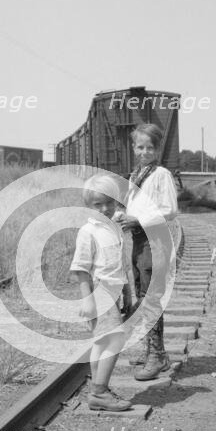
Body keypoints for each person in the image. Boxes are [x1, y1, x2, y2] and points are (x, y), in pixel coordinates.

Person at [117, 123, 179, 381]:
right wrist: (124, 215)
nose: (144, 152)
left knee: (151, 298)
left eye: (150, 148)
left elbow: (170, 210)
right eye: (140, 147)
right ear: (133, 147)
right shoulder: (136, 175)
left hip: (155, 242)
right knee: (144, 297)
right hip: (140, 242)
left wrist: (138, 221)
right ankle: (153, 350)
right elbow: (137, 209)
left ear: (157, 149)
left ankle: (158, 357)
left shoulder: (161, 174)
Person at [70, 174, 133, 411]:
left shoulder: (114, 227)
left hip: (113, 291)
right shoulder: (88, 231)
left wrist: (126, 293)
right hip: (99, 291)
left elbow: (118, 264)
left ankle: (97, 390)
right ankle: (100, 392)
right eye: (98, 204)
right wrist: (87, 300)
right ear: (89, 206)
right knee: (116, 339)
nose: (105, 208)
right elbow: (80, 269)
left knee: (101, 342)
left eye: (110, 202)